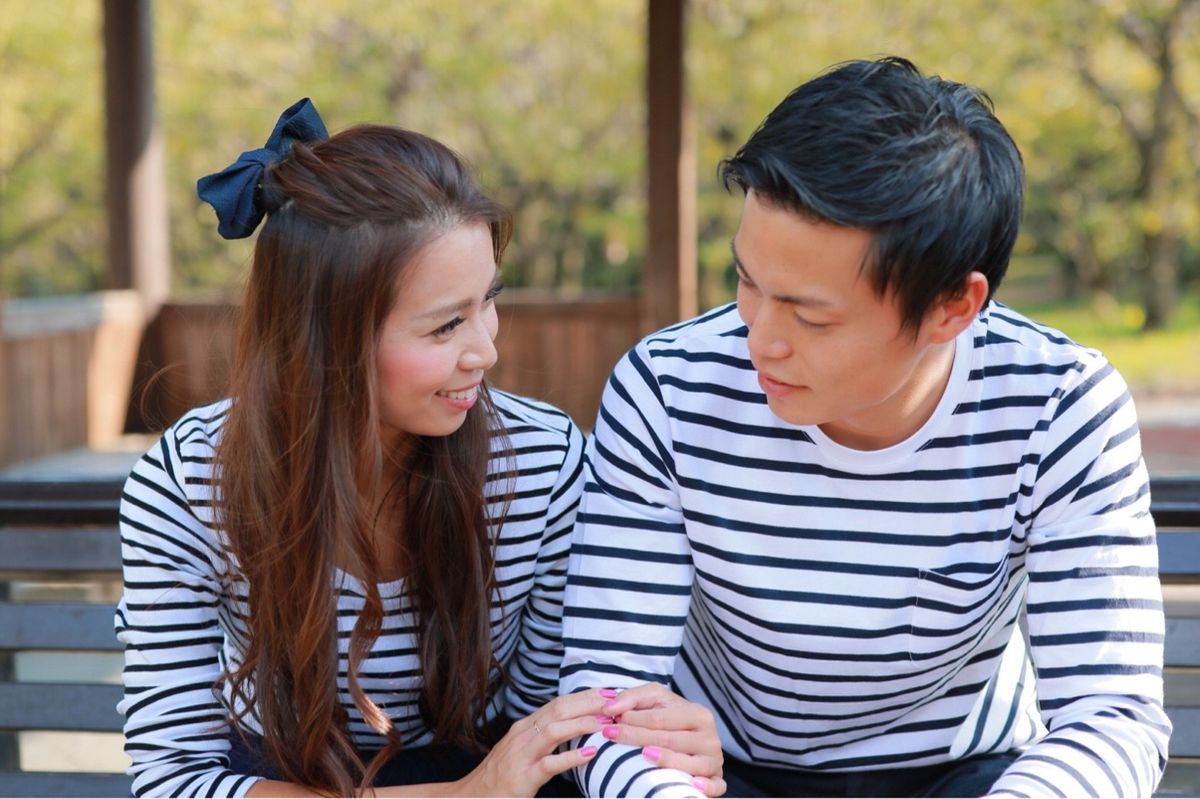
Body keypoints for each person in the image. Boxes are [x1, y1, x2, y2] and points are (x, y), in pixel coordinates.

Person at [560, 57, 1170, 797]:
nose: (759, 339)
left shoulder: (1058, 406)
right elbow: (605, 698)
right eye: (746, 281)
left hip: (969, 777)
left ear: (952, 306)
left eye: (811, 316)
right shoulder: (668, 387)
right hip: (716, 773)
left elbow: (1111, 715)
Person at [115, 98, 609, 798]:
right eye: (445, 326)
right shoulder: (188, 483)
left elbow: (545, 727)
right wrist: (457, 797)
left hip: (489, 767)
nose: (486, 351)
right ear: (326, 341)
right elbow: (174, 779)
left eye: (488, 301)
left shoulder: (540, 461)